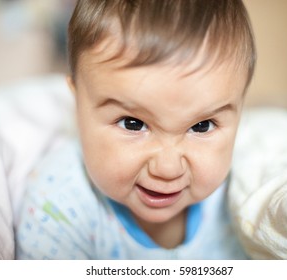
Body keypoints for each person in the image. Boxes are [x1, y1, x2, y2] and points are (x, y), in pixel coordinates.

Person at [16, 0, 256, 259]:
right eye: (133, 123)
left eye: (202, 126)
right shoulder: (57, 212)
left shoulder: (251, 188)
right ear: (77, 104)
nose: (167, 168)